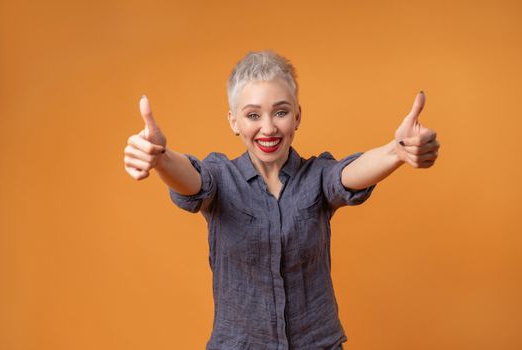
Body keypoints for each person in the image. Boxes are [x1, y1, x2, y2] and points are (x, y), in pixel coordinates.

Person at [123, 50, 440, 349]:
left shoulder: (317, 176)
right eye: (252, 115)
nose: (268, 127)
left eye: (281, 112)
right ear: (234, 121)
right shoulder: (221, 178)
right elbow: (193, 183)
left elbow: (348, 174)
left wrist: (395, 151)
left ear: (297, 116)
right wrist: (161, 158)